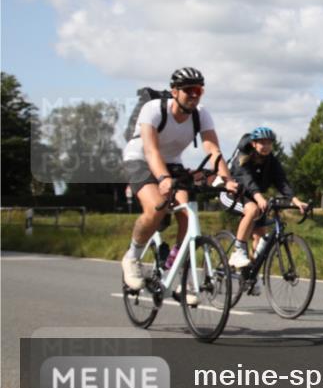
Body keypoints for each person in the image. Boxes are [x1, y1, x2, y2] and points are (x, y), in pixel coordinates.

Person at [120, 68, 239, 303]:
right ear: (174, 92)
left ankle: (171, 271)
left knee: (187, 214)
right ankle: (131, 257)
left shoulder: (201, 114)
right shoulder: (153, 109)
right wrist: (163, 179)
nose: (194, 96)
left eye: (199, 90)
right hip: (140, 160)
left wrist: (227, 180)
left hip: (172, 163)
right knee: (157, 206)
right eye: (189, 91)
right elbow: (152, 150)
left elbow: (213, 150)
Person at [220, 126, 307, 293]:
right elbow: (247, 179)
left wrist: (295, 200)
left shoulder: (271, 161)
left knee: (260, 237)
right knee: (252, 210)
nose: (265, 146)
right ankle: (238, 251)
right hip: (231, 194)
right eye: (262, 142)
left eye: (268, 143)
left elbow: (282, 181)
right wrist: (259, 197)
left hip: (253, 197)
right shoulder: (243, 156)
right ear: (253, 144)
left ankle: (249, 275)